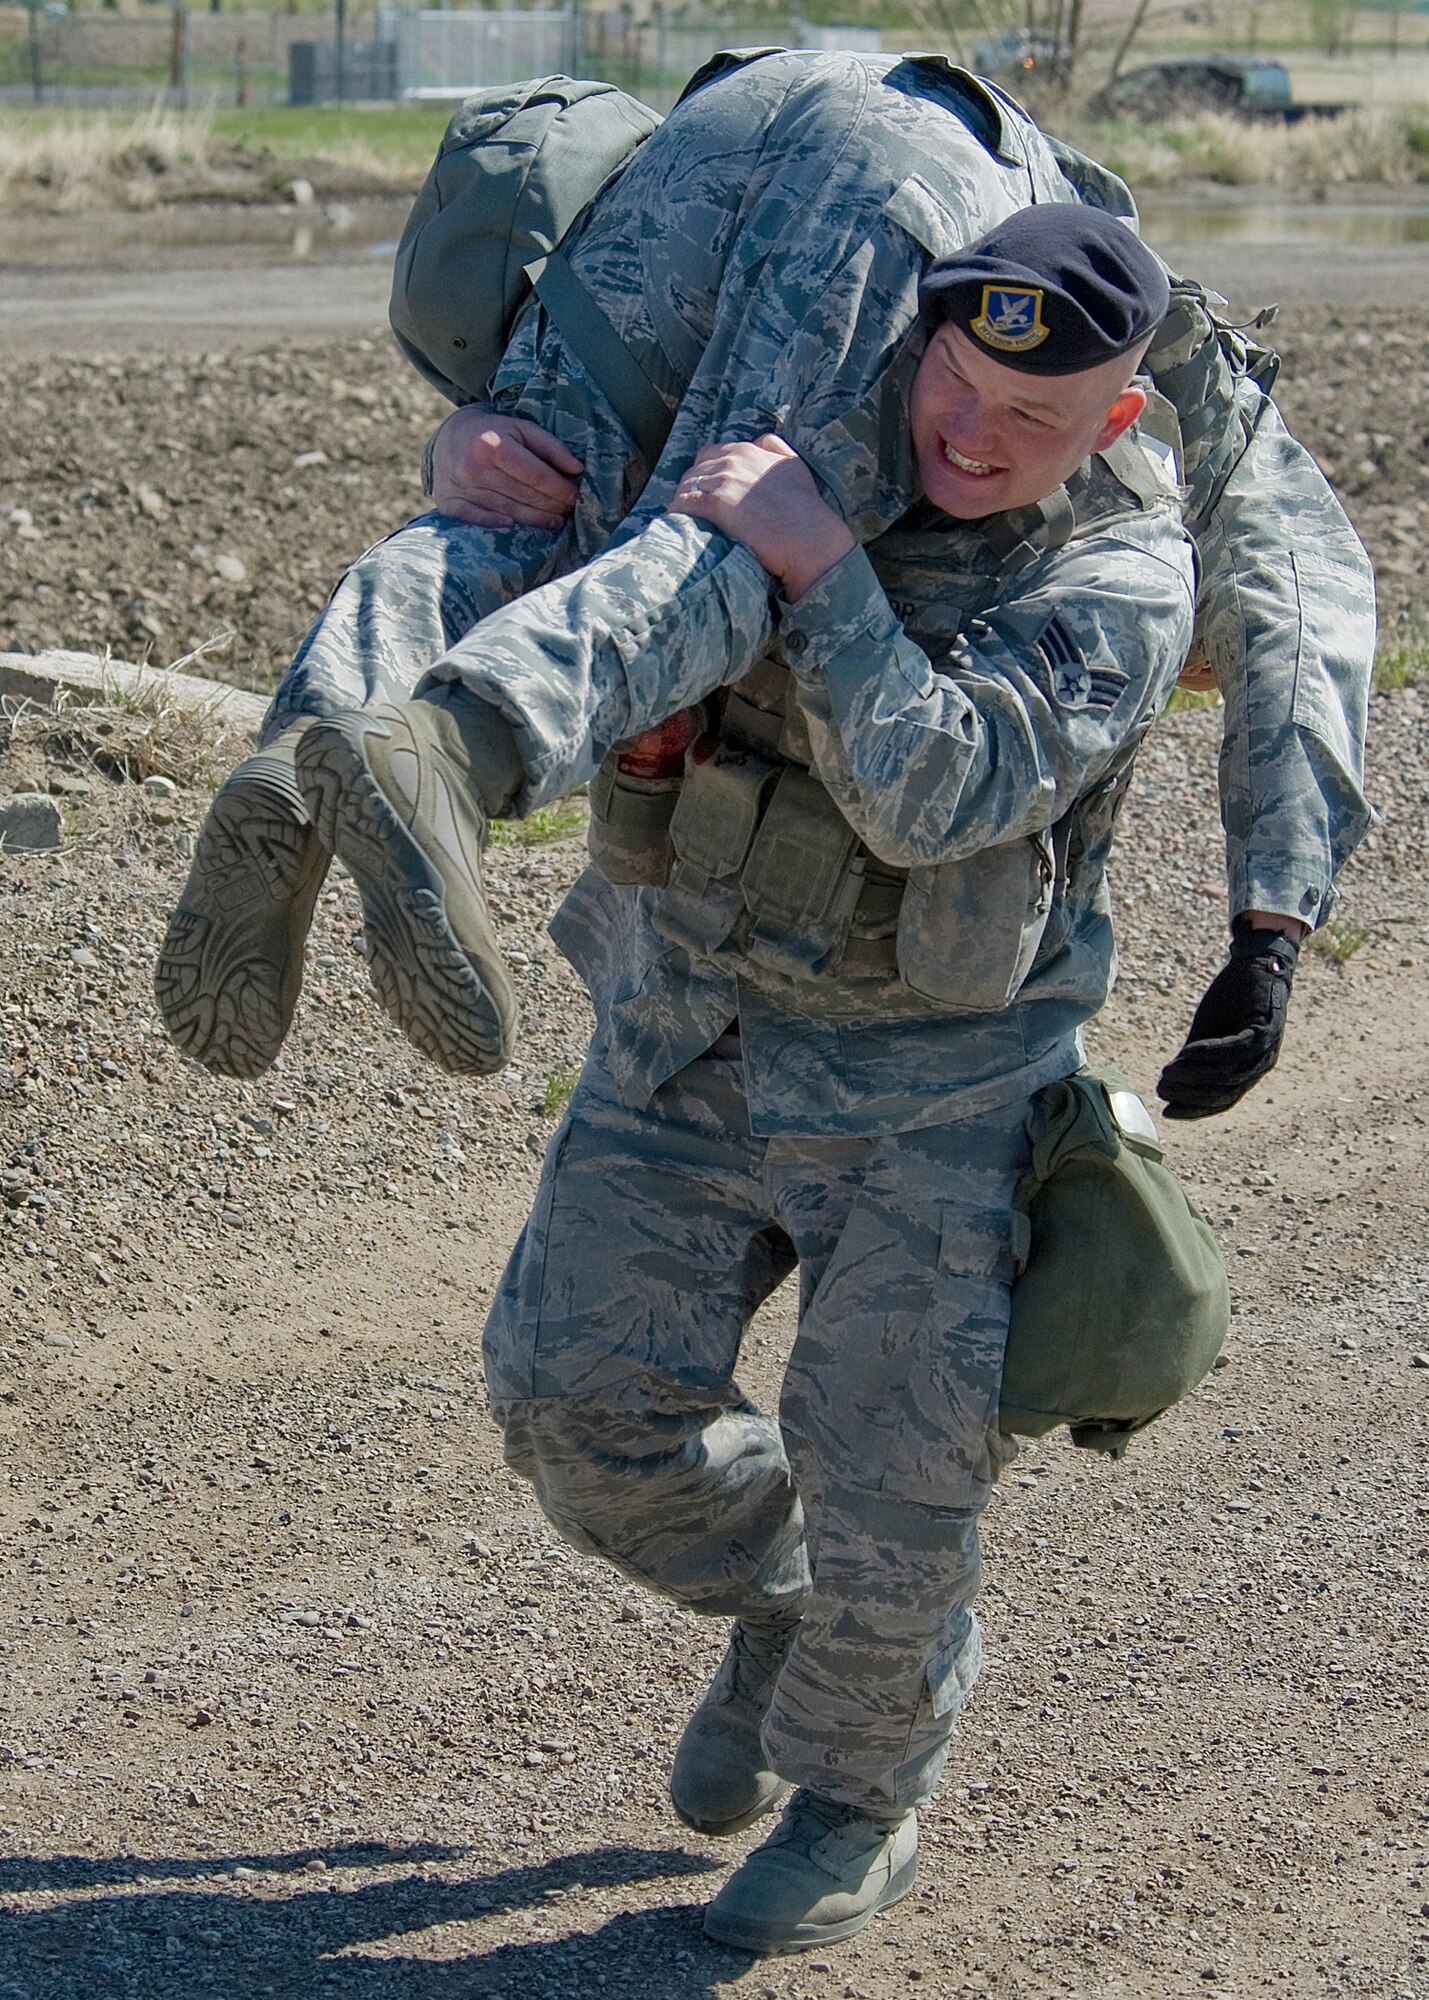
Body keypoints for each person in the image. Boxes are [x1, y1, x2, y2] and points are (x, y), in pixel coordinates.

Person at [293, 206, 1194, 1954]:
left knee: (891, 1475)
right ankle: (778, 1599)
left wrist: (811, 567)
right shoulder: (809, 418)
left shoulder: (1113, 573)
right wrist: (467, 452)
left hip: (930, 1093)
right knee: (568, 1404)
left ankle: (860, 1799)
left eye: (1035, 416)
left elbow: (940, 790)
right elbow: (566, 467)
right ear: (920, 341)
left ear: (1117, 422)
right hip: (685, 1032)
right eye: (959, 380)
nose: (973, 437)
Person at [153, 49, 1374, 1112]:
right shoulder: (1155, 353)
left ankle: (302, 752)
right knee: (747, 514)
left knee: (519, 488)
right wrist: (1272, 922)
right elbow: (1298, 604)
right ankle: (459, 748)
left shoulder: (1039, 249)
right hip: (892, 177)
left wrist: (471, 417)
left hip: (701, 135)